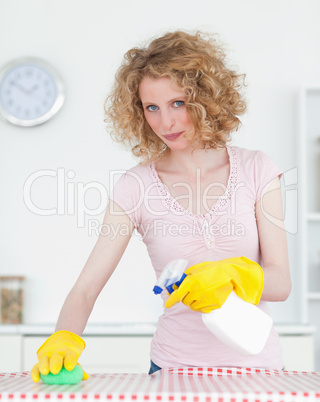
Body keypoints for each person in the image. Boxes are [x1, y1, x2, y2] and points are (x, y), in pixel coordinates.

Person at [31, 31, 291, 382]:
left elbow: (281, 283)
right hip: (173, 370)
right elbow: (86, 288)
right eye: (151, 107)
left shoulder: (257, 169)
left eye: (177, 104)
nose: (164, 123)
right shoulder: (135, 187)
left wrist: (233, 273)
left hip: (259, 369)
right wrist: (63, 337)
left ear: (206, 99)